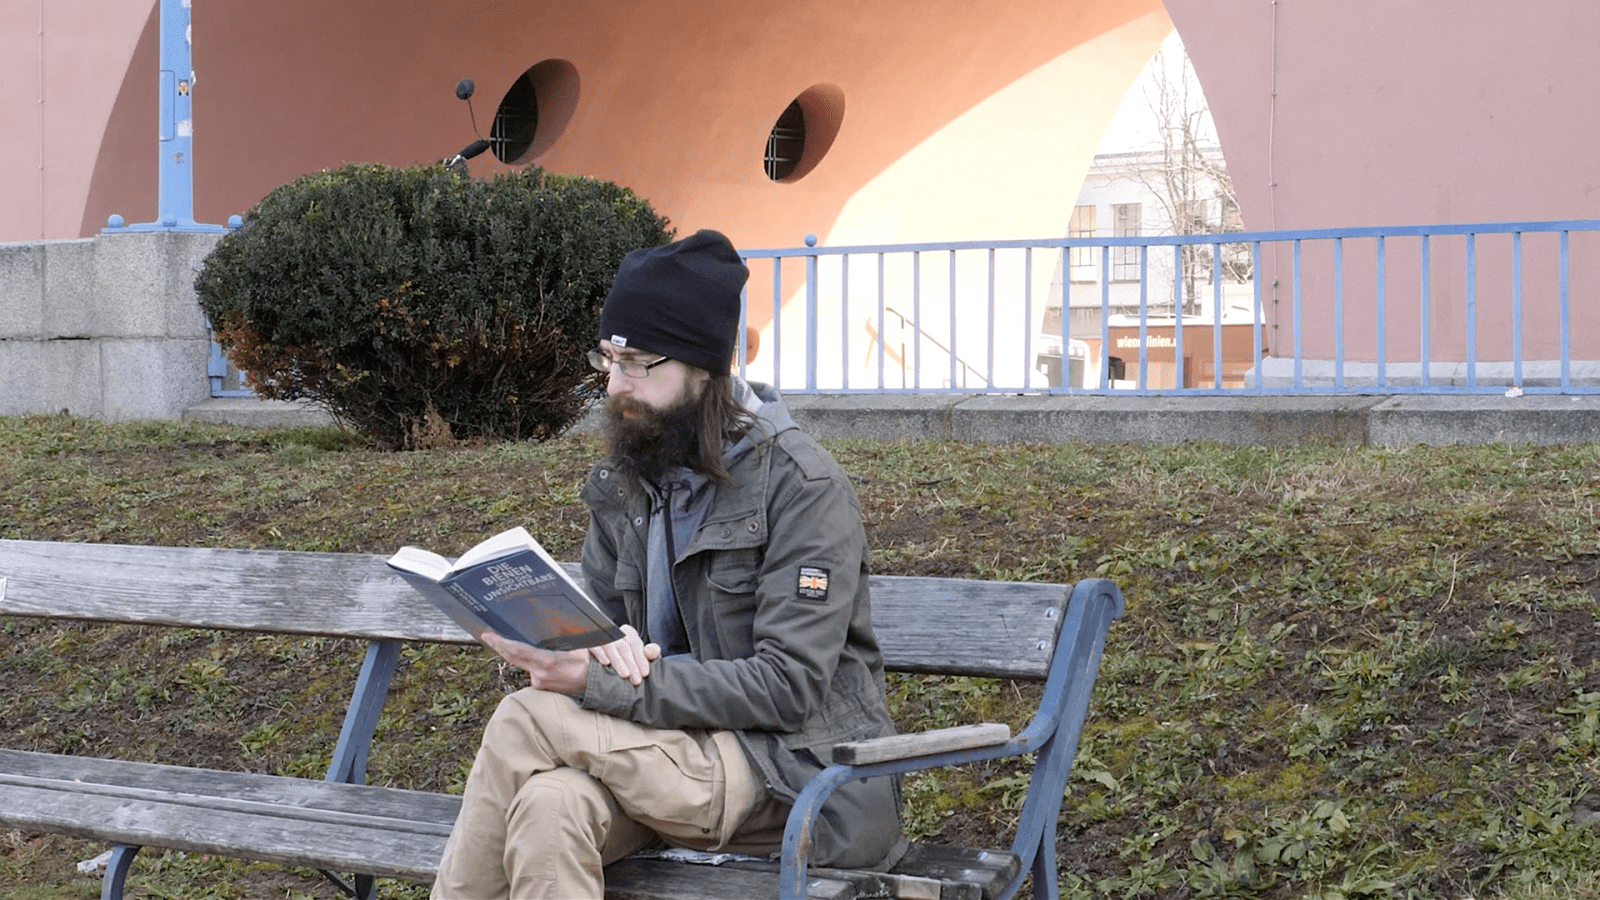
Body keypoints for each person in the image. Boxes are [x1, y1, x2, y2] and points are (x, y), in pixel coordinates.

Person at [431, 229, 904, 899]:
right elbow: (602, 633)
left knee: (524, 719)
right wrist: (581, 647)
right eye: (608, 360)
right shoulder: (630, 479)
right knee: (549, 807)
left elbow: (787, 687)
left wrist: (612, 685)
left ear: (703, 369)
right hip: (663, 755)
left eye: (638, 364)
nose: (616, 387)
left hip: (791, 777)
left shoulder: (801, 486)